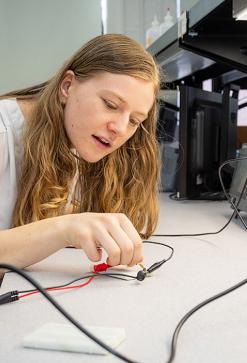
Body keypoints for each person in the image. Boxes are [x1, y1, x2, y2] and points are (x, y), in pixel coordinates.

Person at [0, 34, 161, 271]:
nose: (120, 129)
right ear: (67, 86)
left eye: (134, 120)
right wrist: (65, 229)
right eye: (110, 105)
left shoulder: (80, 139)